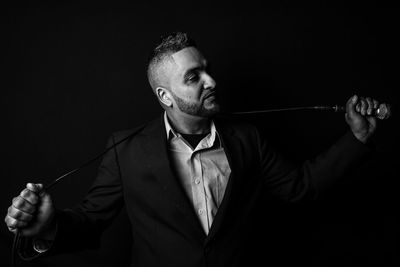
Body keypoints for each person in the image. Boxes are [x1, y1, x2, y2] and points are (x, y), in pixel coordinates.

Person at [5, 32, 383, 267]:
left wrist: (359, 137)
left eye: (207, 69)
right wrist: (49, 228)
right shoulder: (126, 149)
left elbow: (300, 187)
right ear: (165, 96)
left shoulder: (246, 138)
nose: (211, 81)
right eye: (194, 77)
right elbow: (91, 221)